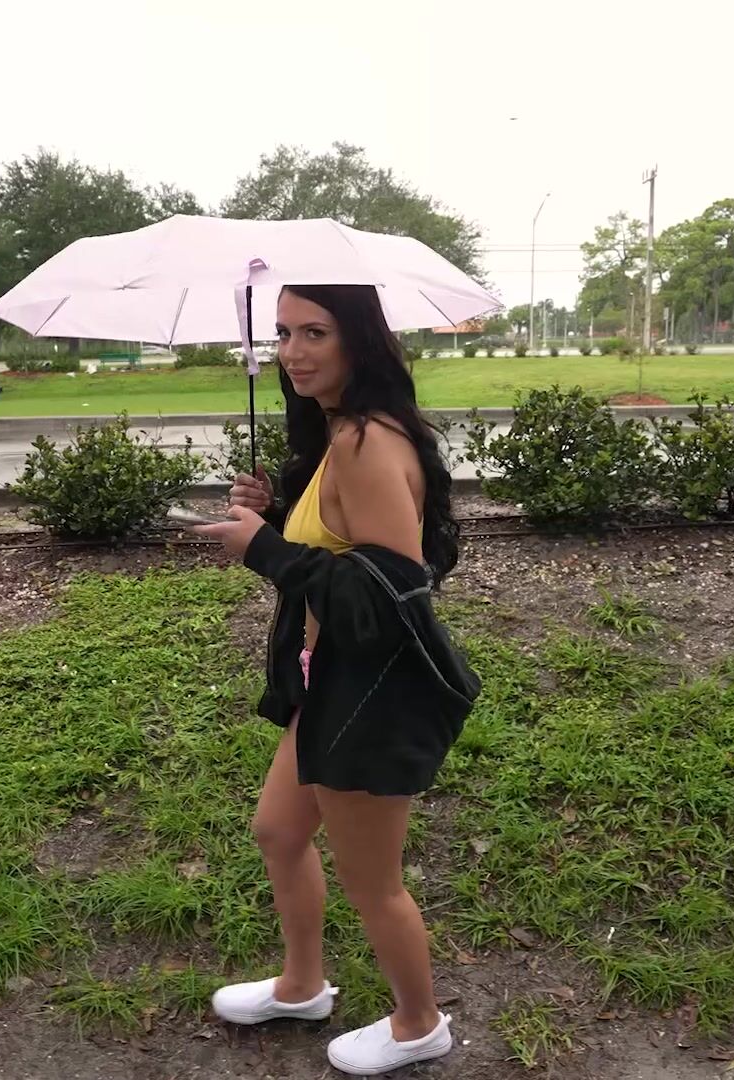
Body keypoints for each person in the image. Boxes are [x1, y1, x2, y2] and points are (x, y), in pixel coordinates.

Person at [189, 283, 480, 1076]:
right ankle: (301, 987)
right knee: (280, 833)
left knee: (372, 881)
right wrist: (278, 512)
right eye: (283, 333)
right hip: (328, 682)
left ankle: (419, 1024)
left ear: (358, 338)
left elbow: (390, 597)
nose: (292, 352)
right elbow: (364, 542)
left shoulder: (366, 440)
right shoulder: (339, 433)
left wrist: (264, 549)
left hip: (372, 690)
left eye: (314, 332)